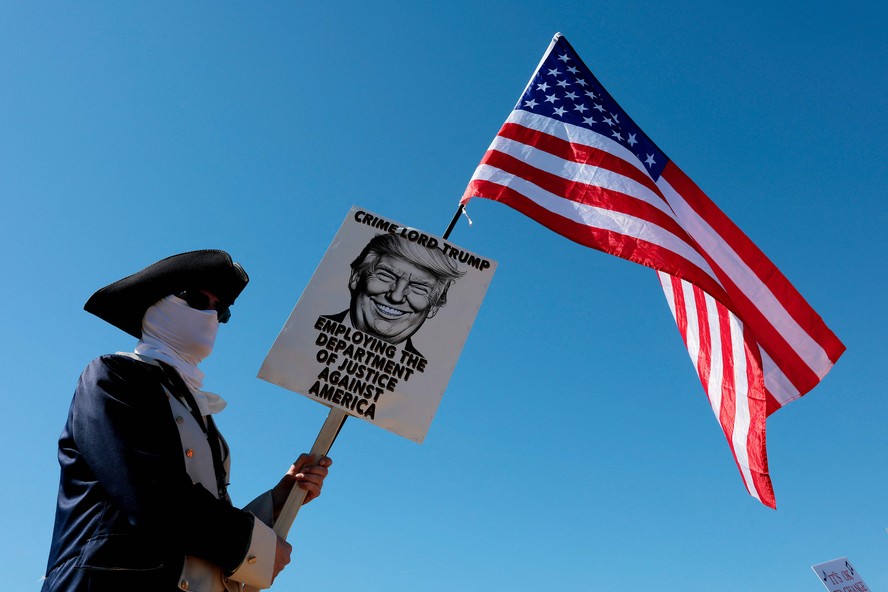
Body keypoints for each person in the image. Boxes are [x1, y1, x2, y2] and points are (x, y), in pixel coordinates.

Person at [42, 249, 332, 592]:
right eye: (196, 298)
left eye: (220, 311)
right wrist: (255, 549)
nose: (210, 315)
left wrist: (280, 499)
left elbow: (202, 525)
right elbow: (154, 498)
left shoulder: (199, 411)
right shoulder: (111, 377)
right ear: (153, 305)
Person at [327, 233, 464, 357]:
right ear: (356, 278)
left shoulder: (423, 381)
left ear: (434, 307)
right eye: (386, 276)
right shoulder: (307, 332)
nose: (396, 297)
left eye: (419, 288)